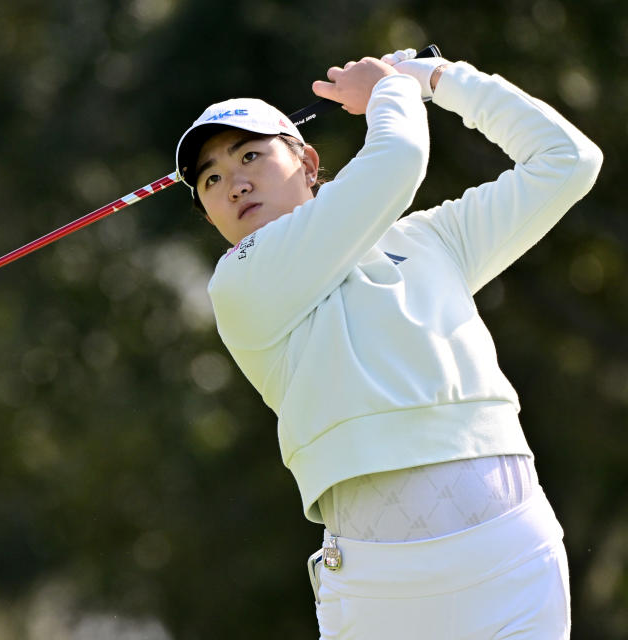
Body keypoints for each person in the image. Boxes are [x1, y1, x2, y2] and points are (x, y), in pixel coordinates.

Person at [174, 49, 603, 639]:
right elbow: (398, 157)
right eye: (211, 179)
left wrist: (440, 79)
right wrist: (388, 92)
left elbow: (569, 160)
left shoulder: (431, 240)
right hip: (383, 589)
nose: (235, 183)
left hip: (512, 554)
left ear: (308, 162)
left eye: (251, 154)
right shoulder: (242, 283)